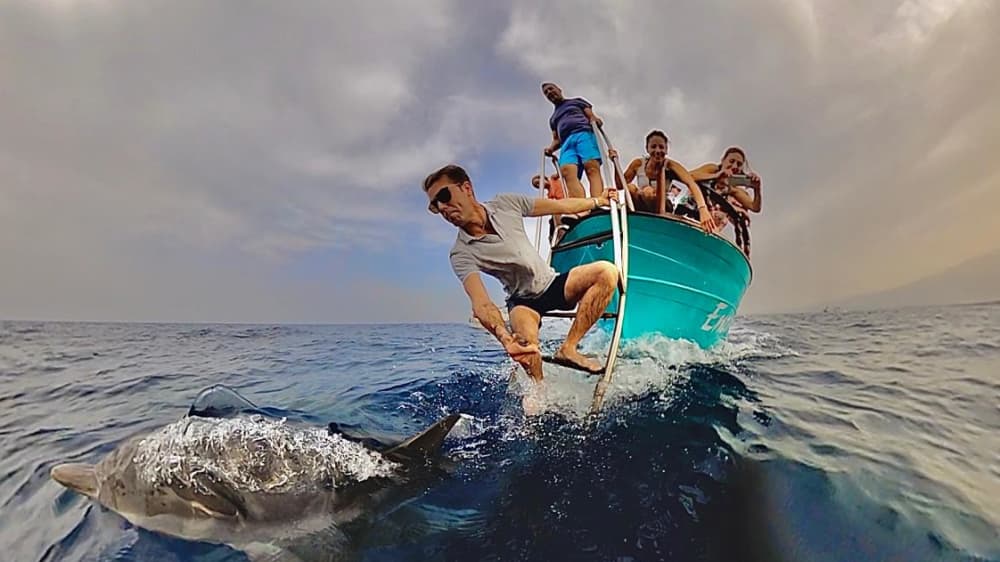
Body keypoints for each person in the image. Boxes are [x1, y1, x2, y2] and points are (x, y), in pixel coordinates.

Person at [423, 164, 619, 380]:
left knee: (607, 272)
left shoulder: (505, 204)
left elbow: (560, 205)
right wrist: (506, 338)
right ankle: (539, 391)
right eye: (435, 205)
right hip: (523, 302)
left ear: (466, 188)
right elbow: (481, 304)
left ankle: (569, 348)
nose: (442, 207)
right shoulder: (461, 253)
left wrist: (597, 201)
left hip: (551, 283)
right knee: (527, 348)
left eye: (444, 195)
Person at [610, 130, 717, 232]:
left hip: (661, 205)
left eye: (661, 147)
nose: (657, 151)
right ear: (647, 149)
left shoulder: (670, 165)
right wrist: (615, 163)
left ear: (666, 150)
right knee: (631, 188)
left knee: (647, 191)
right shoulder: (638, 164)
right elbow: (620, 185)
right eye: (653, 147)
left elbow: (691, 184)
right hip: (641, 205)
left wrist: (703, 209)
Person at [541, 82, 605, 199]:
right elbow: (556, 139)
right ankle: (581, 207)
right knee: (566, 172)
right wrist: (550, 148)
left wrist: (594, 119)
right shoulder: (553, 119)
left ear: (559, 89)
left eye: (551, 89)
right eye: (546, 93)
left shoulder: (576, 102)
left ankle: (598, 201)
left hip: (583, 133)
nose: (549, 92)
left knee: (591, 167)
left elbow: (590, 115)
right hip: (566, 142)